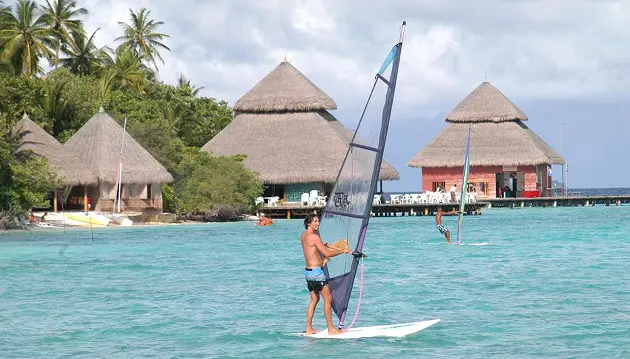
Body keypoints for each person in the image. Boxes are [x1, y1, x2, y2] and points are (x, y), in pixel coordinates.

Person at [300, 213, 353, 335]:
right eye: (314, 221)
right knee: (328, 298)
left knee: (314, 299)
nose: (317, 223)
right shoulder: (314, 236)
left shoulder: (304, 236)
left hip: (308, 272)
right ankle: (331, 329)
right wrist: (342, 251)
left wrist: (324, 245)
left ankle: (309, 328)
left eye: (318, 221)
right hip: (317, 273)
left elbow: (311, 249)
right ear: (308, 223)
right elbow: (327, 254)